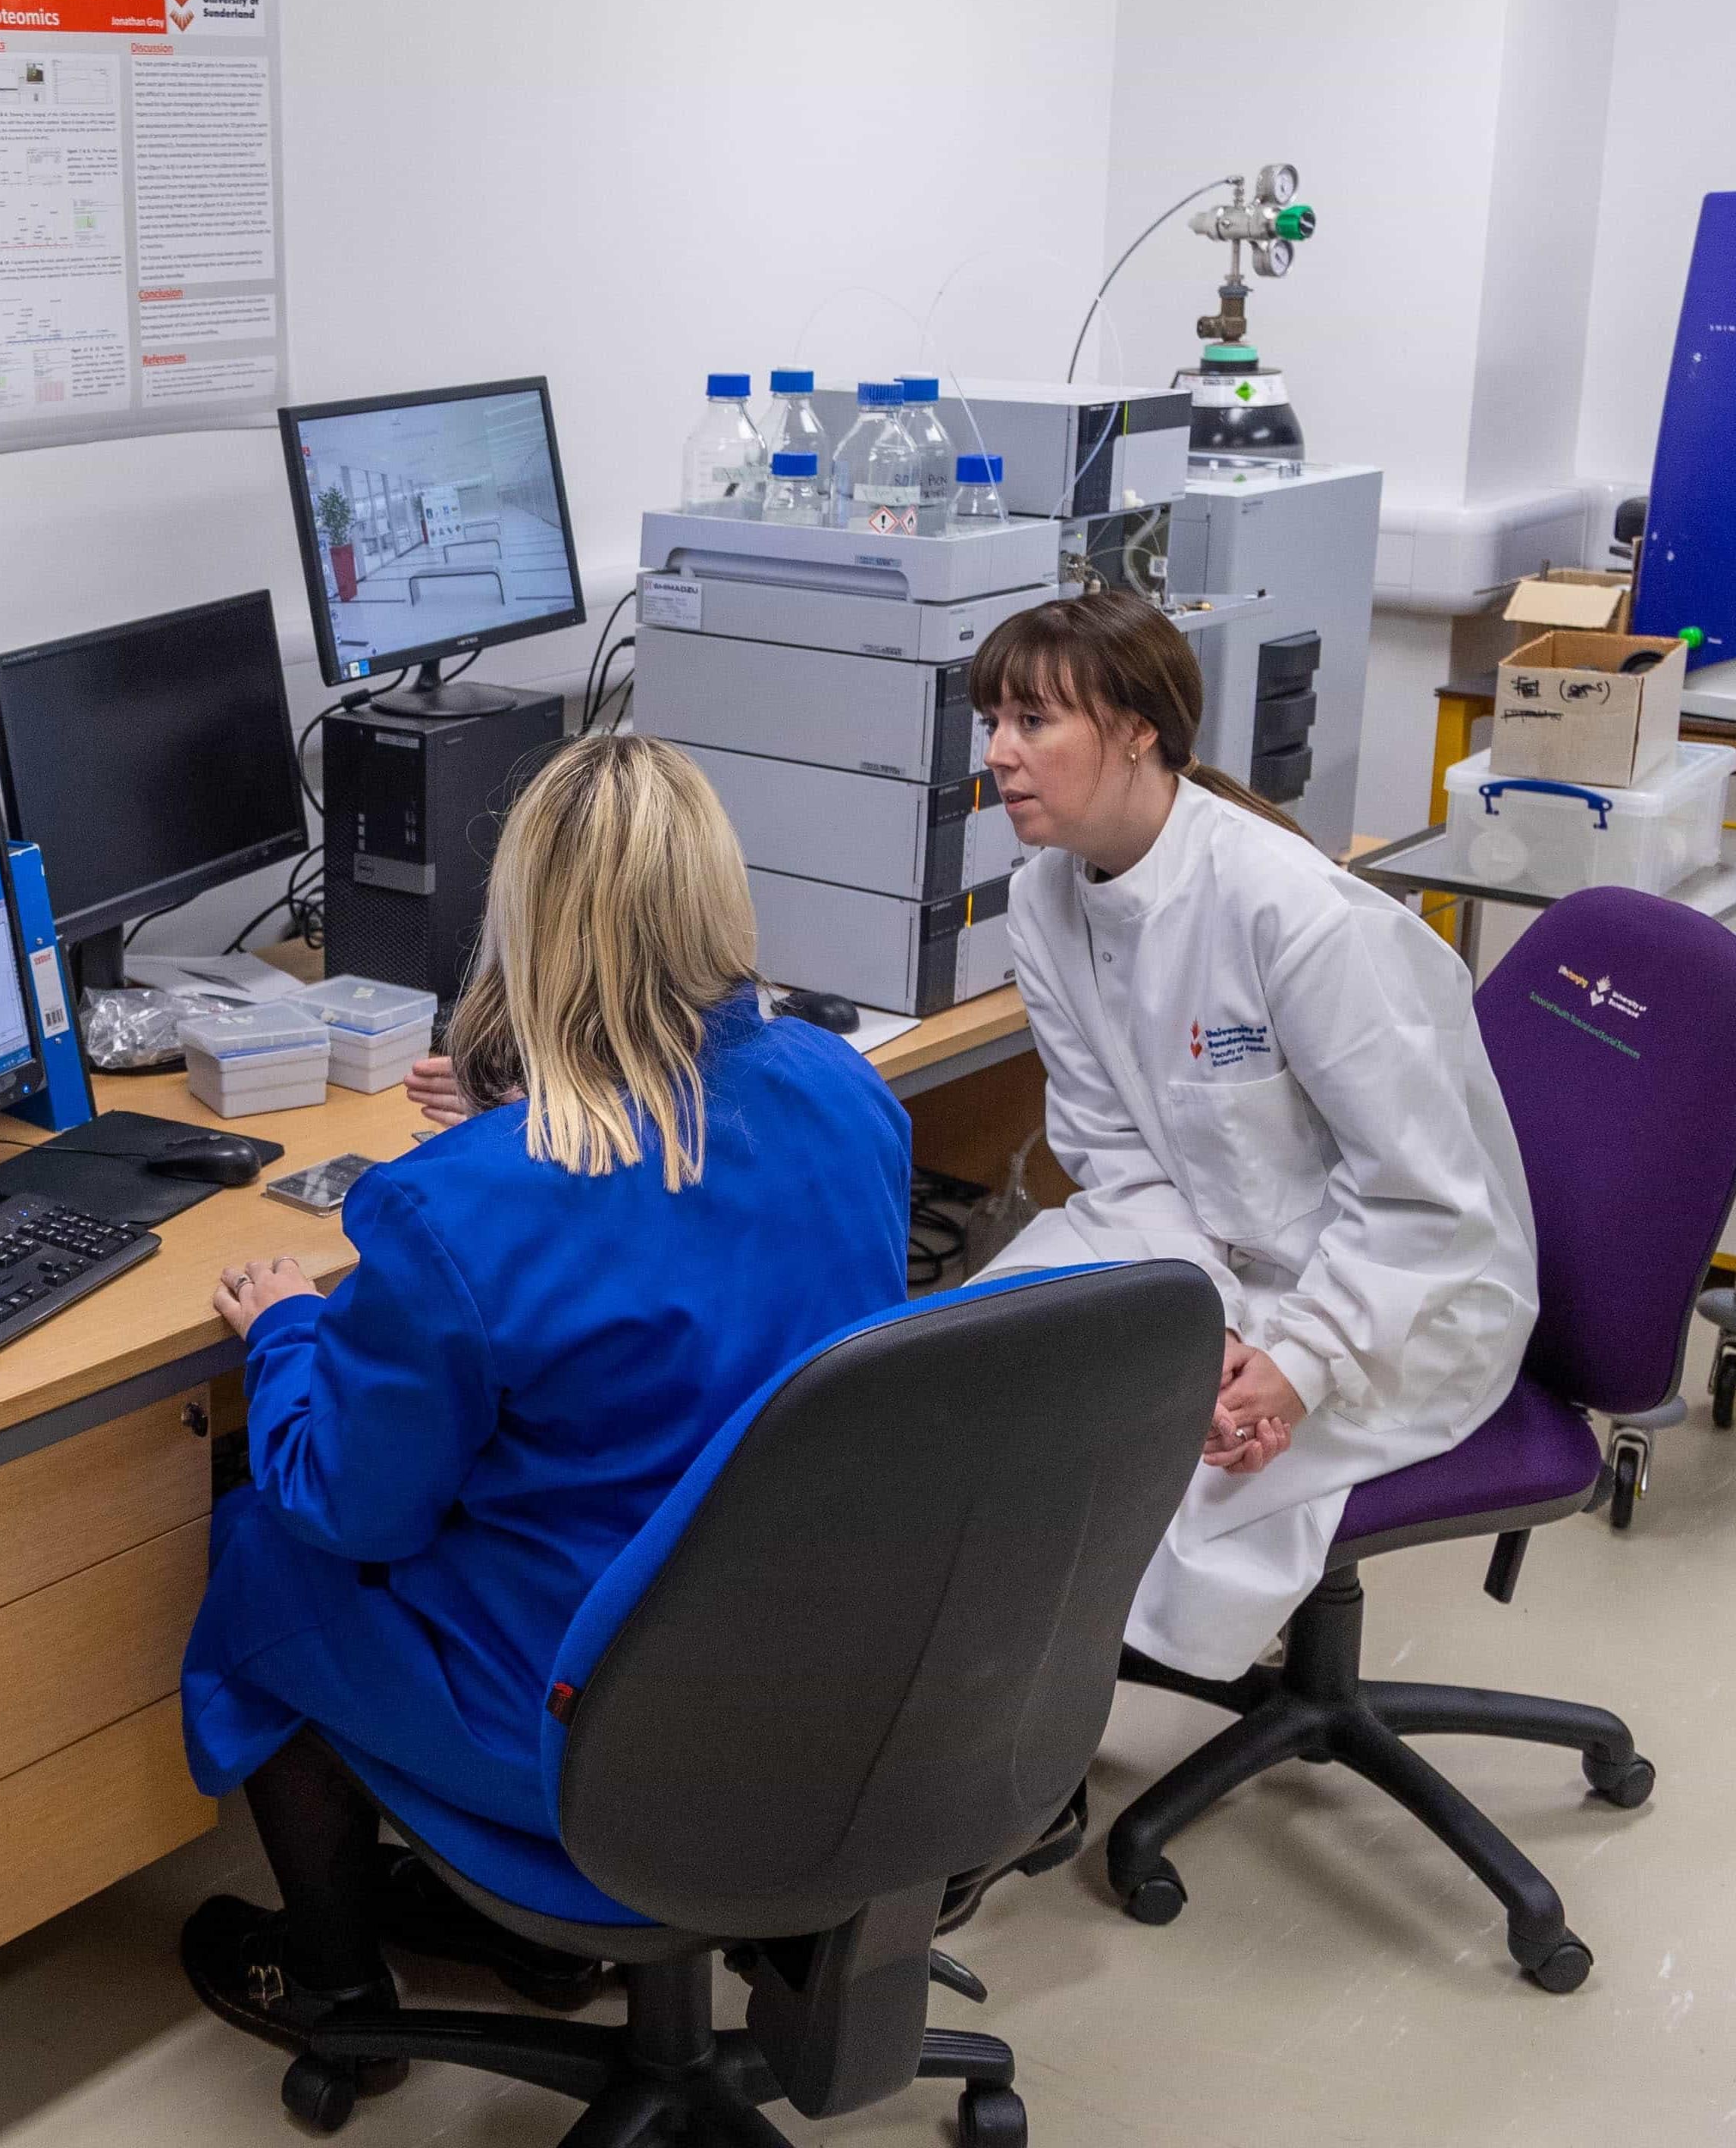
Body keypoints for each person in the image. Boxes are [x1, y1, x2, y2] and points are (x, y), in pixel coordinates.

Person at [177, 734, 918, 2081]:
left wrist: (288, 1325)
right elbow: (678, 1194)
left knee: (266, 1546)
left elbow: (349, 1503)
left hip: (596, 1714)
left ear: (520, 922)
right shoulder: (846, 1092)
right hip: (830, 1676)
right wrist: (521, 1112)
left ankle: (342, 1996)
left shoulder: (460, 1199)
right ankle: (533, 1935)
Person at [973, 589, 1538, 1685]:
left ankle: (1032, 1741)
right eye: (991, 722)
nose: (998, 754)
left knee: (1141, 1477)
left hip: (1397, 1299)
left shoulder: (1294, 912)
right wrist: (1201, 1321)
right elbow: (1118, 1159)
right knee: (964, 1372)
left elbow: (1423, 1201)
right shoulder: (1044, 899)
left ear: (1138, 729)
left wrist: (1295, 1360)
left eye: (1032, 721)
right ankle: (976, 1730)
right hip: (1198, 1258)